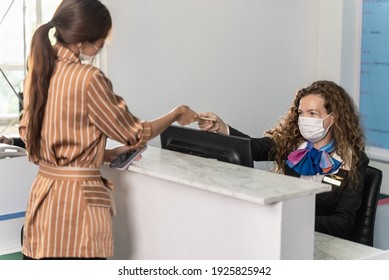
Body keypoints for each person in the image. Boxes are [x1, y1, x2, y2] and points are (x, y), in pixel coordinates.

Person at [19, 0, 197, 260]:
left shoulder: (39, 72)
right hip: (76, 213)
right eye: (103, 38)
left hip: (42, 207)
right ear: (83, 41)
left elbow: (34, 140)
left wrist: (102, 155)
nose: (104, 43)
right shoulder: (88, 79)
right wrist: (177, 113)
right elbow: (136, 133)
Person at [198, 80, 368, 240]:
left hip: (319, 239)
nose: (305, 120)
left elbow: (343, 222)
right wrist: (220, 127)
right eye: (301, 113)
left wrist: (293, 221)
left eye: (313, 113)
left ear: (334, 117)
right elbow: (254, 148)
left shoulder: (352, 159)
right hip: (280, 234)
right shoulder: (291, 144)